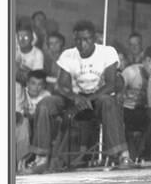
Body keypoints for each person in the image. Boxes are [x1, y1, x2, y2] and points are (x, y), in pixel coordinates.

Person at [23, 20, 134, 174]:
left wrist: (89, 99)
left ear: (94, 38)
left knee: (108, 101)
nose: (82, 44)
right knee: (45, 104)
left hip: (98, 98)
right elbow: (61, 85)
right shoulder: (68, 55)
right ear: (74, 39)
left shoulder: (107, 52)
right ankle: (41, 159)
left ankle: (123, 155)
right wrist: (76, 98)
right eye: (78, 40)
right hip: (74, 99)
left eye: (86, 39)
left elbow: (111, 84)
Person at [121, 45, 151, 165]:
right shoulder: (131, 72)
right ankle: (127, 154)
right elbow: (117, 94)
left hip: (144, 111)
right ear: (144, 61)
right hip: (126, 109)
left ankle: (148, 153)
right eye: (149, 61)